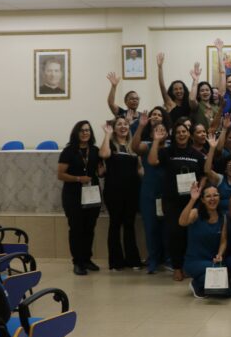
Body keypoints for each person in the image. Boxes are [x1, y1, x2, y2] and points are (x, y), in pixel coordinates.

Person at [148, 121, 206, 281]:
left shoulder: (197, 155)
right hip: (172, 200)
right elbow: (152, 161)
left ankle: (188, 265)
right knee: (175, 233)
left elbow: (204, 175)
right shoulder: (167, 151)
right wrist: (156, 141)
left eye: (184, 131)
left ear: (189, 134)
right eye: (178, 132)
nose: (181, 134)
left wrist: (200, 190)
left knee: (190, 234)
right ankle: (177, 267)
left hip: (192, 200)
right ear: (174, 135)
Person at [57, 121, 102, 275]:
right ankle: (77, 262)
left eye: (88, 130)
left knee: (89, 228)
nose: (85, 133)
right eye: (82, 130)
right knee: (77, 229)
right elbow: (60, 174)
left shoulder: (95, 150)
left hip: (92, 194)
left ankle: (87, 259)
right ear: (76, 133)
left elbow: (100, 171)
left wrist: (102, 170)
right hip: (73, 195)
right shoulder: (69, 151)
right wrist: (78, 179)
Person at [99, 117, 143, 271]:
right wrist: (106, 134)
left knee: (129, 225)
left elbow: (139, 169)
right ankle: (116, 262)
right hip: (113, 191)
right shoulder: (110, 144)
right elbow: (104, 155)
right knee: (115, 224)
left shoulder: (133, 146)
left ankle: (133, 260)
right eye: (119, 124)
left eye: (125, 124)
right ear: (114, 128)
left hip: (132, 191)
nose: (123, 127)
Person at [131, 108, 171, 273]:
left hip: (167, 192)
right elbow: (134, 147)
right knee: (151, 227)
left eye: (163, 130)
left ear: (168, 133)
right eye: (157, 130)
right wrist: (141, 126)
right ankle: (153, 259)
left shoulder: (171, 147)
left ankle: (168, 259)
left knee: (167, 227)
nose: (160, 133)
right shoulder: (147, 145)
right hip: (149, 192)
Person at [178, 183, 229, 299]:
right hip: (194, 261)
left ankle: (199, 283)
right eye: (208, 196)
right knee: (218, 279)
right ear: (202, 199)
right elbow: (182, 222)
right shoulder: (195, 213)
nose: (212, 199)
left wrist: (220, 254)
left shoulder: (223, 217)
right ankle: (197, 285)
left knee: (226, 291)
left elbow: (223, 241)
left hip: (213, 261)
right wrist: (192, 200)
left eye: (215, 195)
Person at [157, 52, 191, 122]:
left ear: (184, 90)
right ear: (172, 92)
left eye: (180, 88)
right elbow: (162, 87)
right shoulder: (170, 104)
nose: (178, 91)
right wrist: (160, 67)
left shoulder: (189, 103)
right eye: (175, 89)